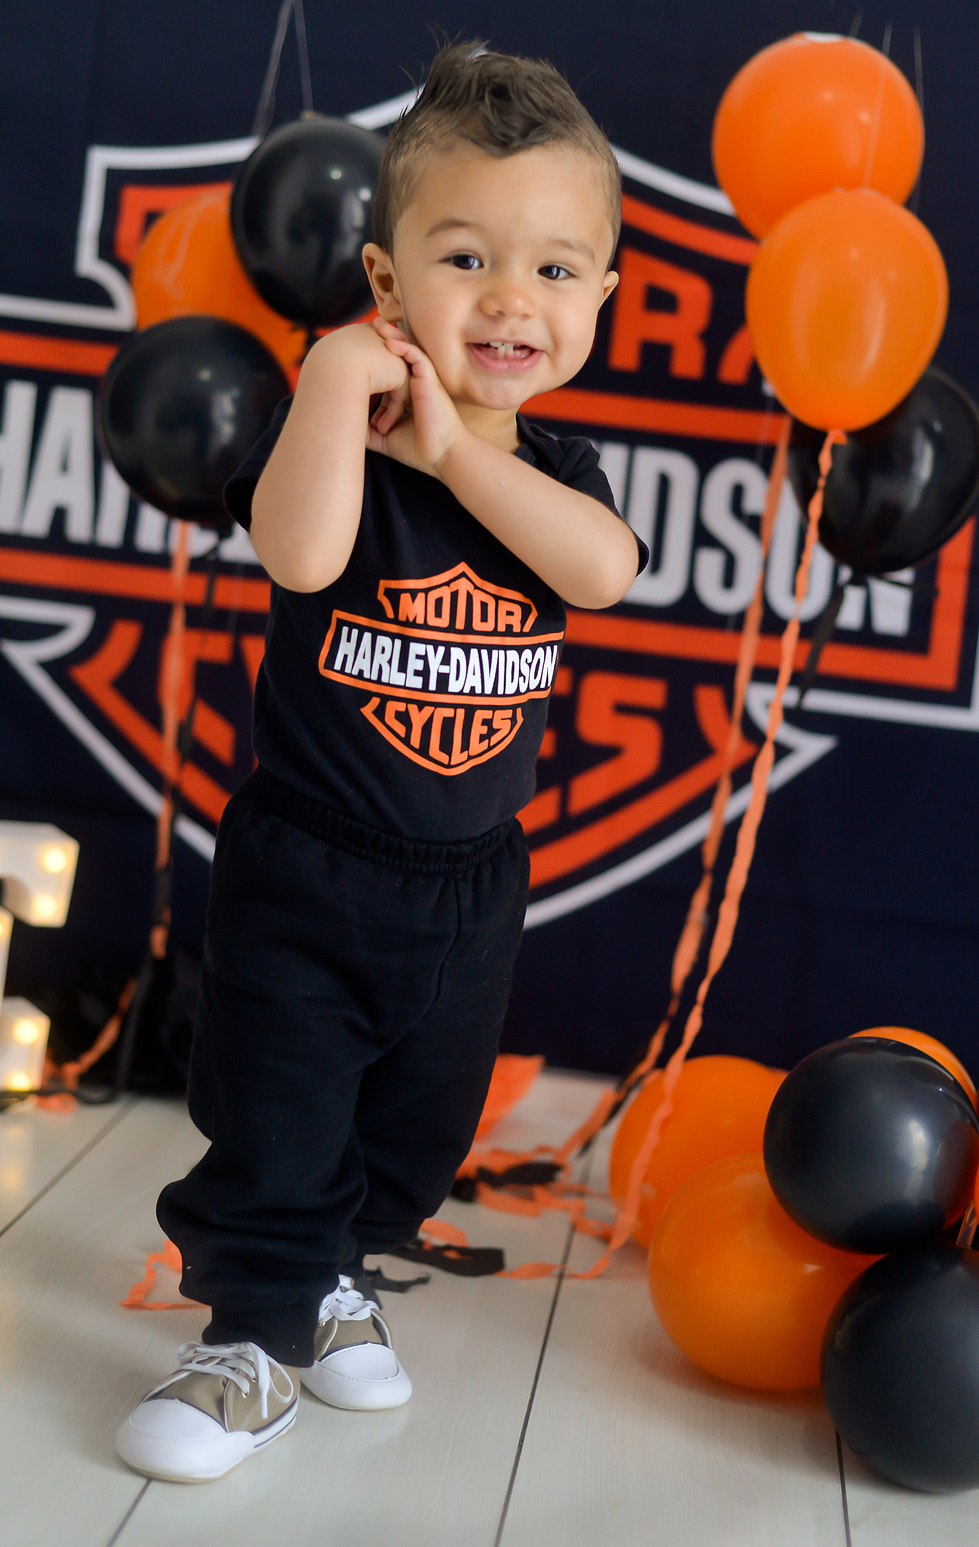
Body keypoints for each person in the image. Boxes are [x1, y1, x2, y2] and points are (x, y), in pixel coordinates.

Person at [115, 40, 644, 1484]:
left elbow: (603, 572)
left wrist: (458, 456)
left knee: (416, 1127)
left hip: (469, 885)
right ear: (386, 282)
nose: (511, 299)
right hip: (310, 863)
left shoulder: (556, 477)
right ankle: (247, 1341)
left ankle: (337, 1277)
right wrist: (339, 385)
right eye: (465, 258)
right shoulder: (336, 433)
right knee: (278, 1112)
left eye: (554, 269)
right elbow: (300, 554)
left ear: (602, 296)